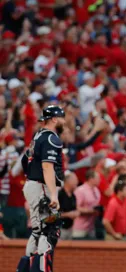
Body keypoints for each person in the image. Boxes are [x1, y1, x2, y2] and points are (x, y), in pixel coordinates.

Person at [19, 105, 66, 271]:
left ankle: (25, 268)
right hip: (41, 186)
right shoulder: (51, 138)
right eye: (62, 117)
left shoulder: (37, 136)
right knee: (50, 230)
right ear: (54, 119)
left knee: (37, 231)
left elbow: (25, 162)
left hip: (32, 185)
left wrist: (32, 177)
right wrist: (53, 194)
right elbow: (48, 167)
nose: (63, 121)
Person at [58, 171, 80, 240]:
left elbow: (75, 209)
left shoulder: (73, 196)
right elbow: (52, 214)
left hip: (70, 228)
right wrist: (67, 214)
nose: (77, 182)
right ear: (68, 181)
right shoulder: (59, 195)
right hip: (60, 229)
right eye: (75, 180)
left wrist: (76, 213)